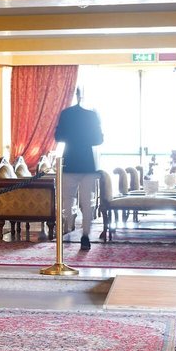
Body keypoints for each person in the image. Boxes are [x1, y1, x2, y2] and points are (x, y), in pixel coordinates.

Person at [54, 87, 104, 251]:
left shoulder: (66, 114)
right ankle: (85, 236)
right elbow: (98, 140)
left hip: (70, 161)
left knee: (67, 199)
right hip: (87, 162)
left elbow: (58, 137)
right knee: (86, 202)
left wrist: (71, 136)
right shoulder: (91, 115)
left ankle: (69, 228)